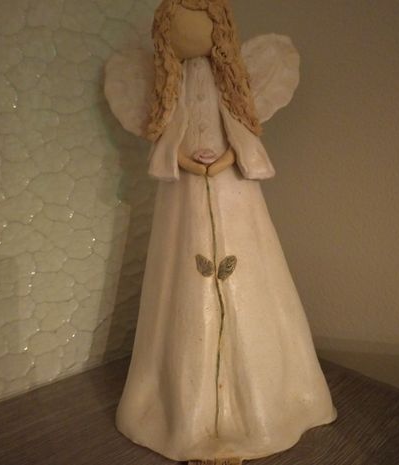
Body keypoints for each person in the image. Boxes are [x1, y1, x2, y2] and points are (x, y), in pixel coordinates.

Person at [104, 1, 337, 464]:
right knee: (183, 278)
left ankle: (266, 401)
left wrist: (229, 158)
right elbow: (168, 132)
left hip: (233, 192)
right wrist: (182, 160)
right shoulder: (170, 85)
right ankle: (186, 407)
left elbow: (240, 129)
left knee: (248, 270)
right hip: (183, 196)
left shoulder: (228, 81)